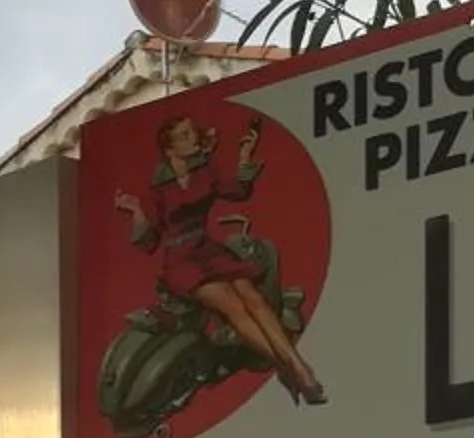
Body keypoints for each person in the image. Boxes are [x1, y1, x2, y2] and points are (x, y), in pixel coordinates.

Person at [114, 112, 326, 405]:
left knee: (254, 298)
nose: (194, 137)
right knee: (234, 305)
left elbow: (238, 191)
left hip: (209, 250)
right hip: (182, 261)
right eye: (185, 135)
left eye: (192, 132)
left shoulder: (205, 172)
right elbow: (149, 241)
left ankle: (296, 365)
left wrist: (245, 154)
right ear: (170, 148)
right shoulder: (159, 189)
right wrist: (135, 210)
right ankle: (291, 369)